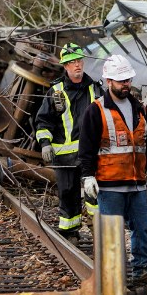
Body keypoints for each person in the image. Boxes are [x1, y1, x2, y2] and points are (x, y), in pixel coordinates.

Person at [78, 53, 147, 286]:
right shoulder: (96, 111)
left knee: (142, 228)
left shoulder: (139, 109)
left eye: (128, 80)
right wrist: (87, 176)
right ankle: (113, 278)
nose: (126, 84)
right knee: (112, 235)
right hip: (110, 184)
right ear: (109, 82)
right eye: (121, 81)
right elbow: (86, 147)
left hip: (137, 183)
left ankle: (143, 272)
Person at [34, 43, 105, 244]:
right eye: (71, 62)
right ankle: (70, 233)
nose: (76, 65)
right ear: (65, 66)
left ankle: (99, 230)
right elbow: (43, 121)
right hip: (64, 156)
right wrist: (45, 143)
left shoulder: (95, 88)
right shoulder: (55, 92)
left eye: (79, 61)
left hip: (90, 153)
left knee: (95, 193)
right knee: (67, 193)